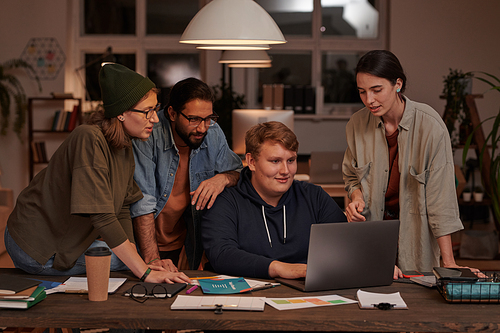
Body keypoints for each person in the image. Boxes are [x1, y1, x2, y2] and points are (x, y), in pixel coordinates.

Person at [5, 63, 190, 284]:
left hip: (61, 241)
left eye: (155, 109)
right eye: (147, 111)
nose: (156, 118)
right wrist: (145, 271)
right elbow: (102, 216)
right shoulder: (89, 139)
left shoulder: (124, 145)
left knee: (132, 258)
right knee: (127, 263)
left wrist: (142, 262)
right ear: (121, 113)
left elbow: (122, 206)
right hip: (35, 247)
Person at [342, 50, 478, 277]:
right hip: (371, 239)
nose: (369, 100)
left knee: (416, 306)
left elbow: (440, 199)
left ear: (398, 84)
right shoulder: (357, 123)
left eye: (377, 90)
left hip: (415, 241)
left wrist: (449, 262)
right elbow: (351, 175)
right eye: (362, 92)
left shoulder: (431, 126)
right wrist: (356, 197)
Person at [201, 121, 347, 279]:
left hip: (308, 291)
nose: (285, 171)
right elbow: (222, 254)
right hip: (249, 296)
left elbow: (344, 246)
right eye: (275, 161)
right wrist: (279, 268)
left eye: (291, 160)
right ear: (251, 162)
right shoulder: (226, 201)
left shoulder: (314, 197)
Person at [131, 77, 243, 272]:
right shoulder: (148, 135)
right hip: (144, 246)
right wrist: (152, 261)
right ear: (172, 113)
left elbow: (240, 172)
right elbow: (143, 201)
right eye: (194, 119)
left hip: (186, 243)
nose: (202, 128)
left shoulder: (213, 132)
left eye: (208, 118)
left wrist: (222, 178)